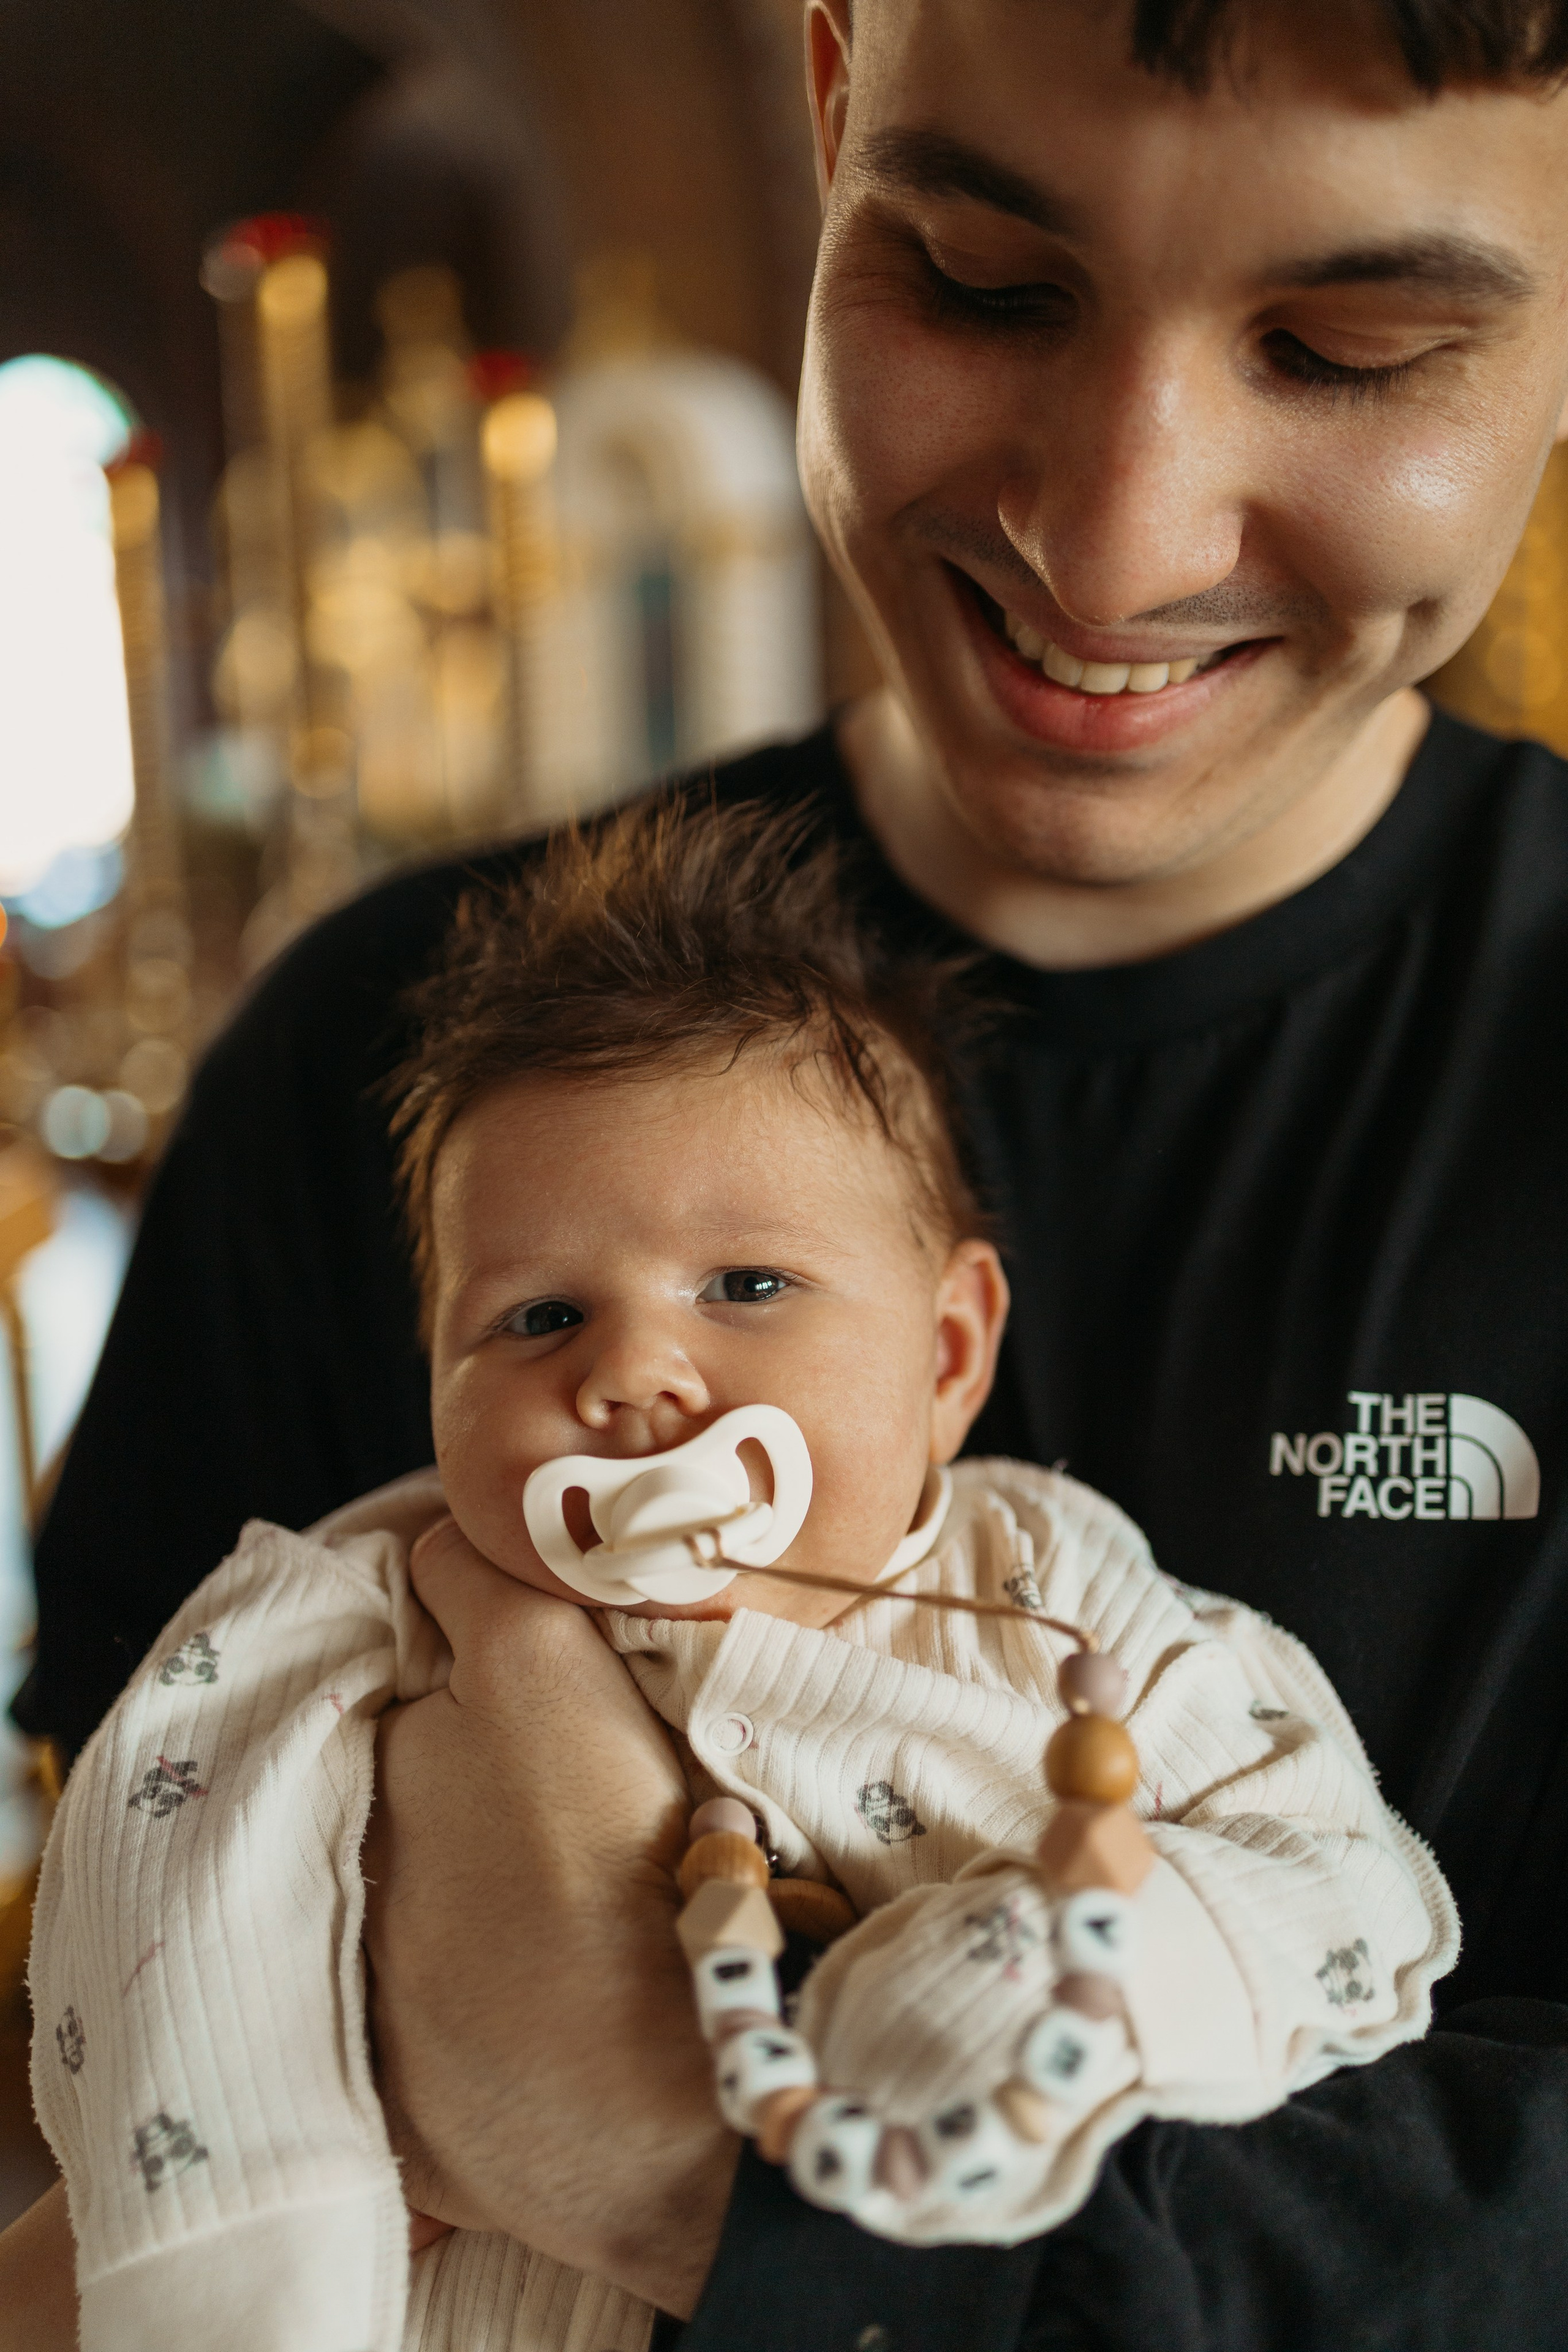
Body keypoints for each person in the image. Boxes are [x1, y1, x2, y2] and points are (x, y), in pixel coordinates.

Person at [10, 0, 1568, 2343]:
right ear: (836, 116)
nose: (1114, 543)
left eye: (1344, 353)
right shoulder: (384, 1055)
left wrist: (692, 2175)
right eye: (983, 284)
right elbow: (116, 2048)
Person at [27, 801, 1456, 2352]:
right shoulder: (359, 1605)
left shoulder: (1057, 1592)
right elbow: (174, 1856)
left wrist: (1032, 1977)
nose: (632, 1371)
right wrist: (255, 2244)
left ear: (947, 1356)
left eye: (748, 1285)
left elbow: (1337, 1872)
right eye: (537, 1318)